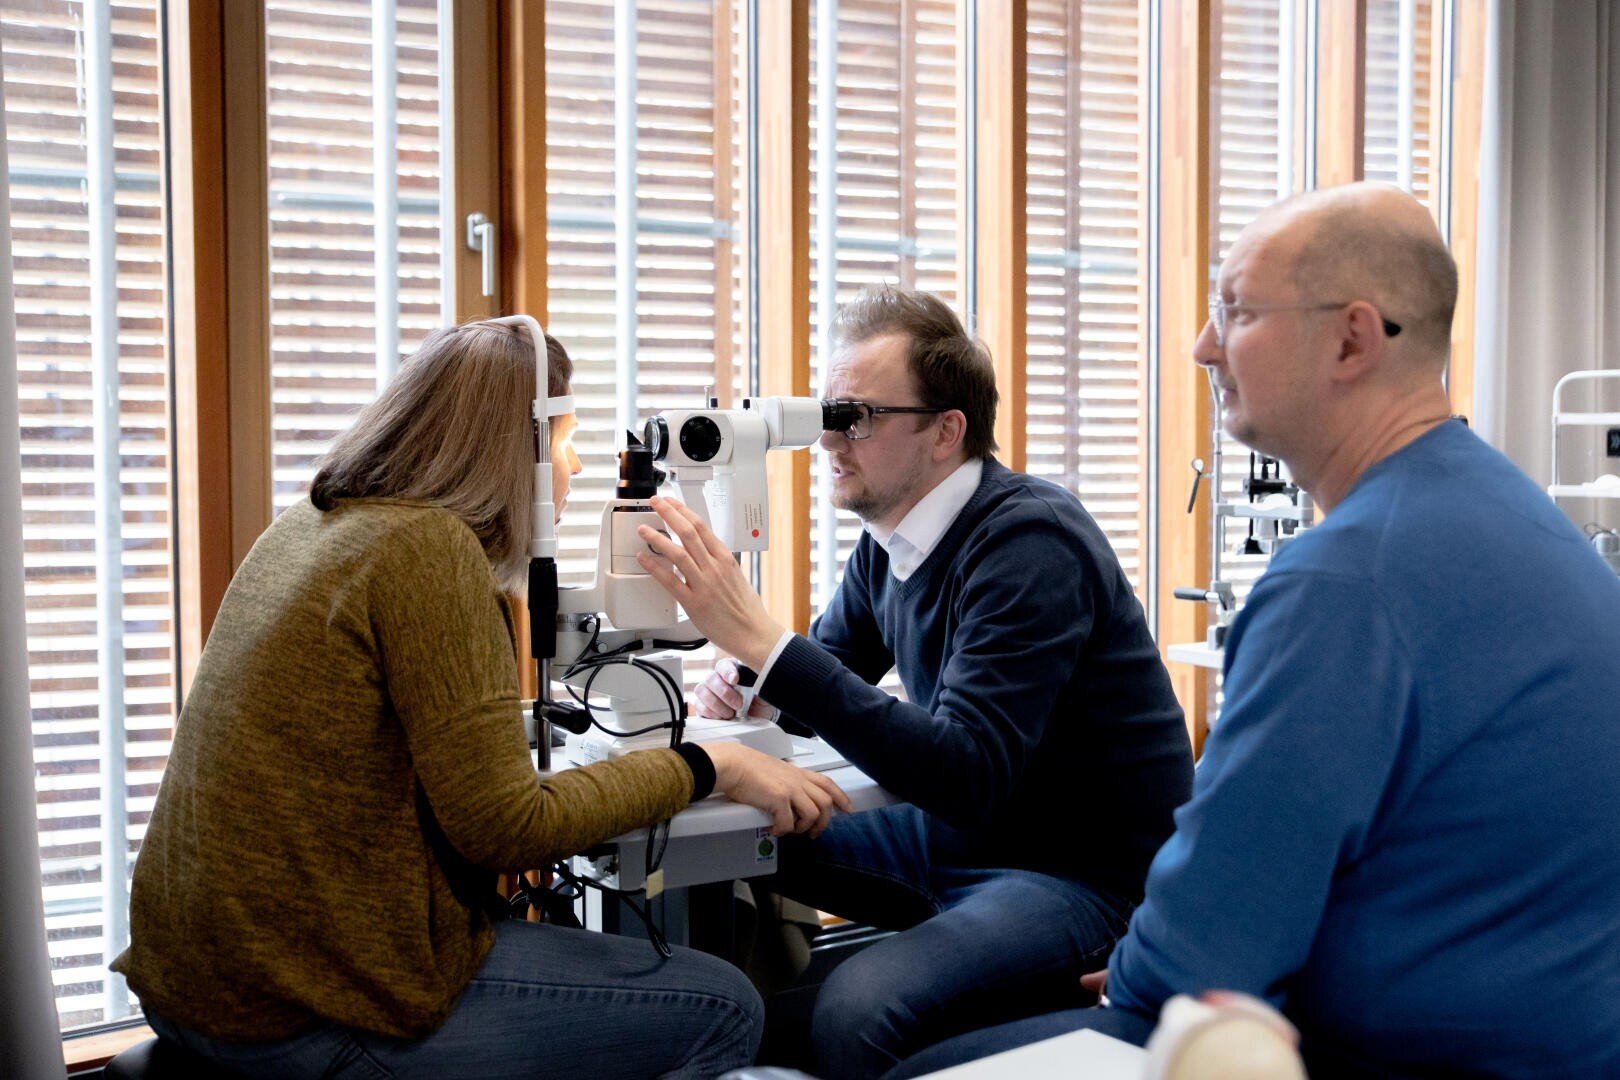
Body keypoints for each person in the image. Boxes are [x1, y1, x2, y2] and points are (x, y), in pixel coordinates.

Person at [888, 183, 1620, 1079]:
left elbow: (1201, 950)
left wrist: (1137, 975)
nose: (1204, 345)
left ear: (1352, 337)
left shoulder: (1346, 579)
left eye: (1235, 311)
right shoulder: (1521, 515)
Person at [112, 319, 852, 1080]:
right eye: (563, 444)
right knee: (726, 1004)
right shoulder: (427, 553)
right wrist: (713, 765)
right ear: (516, 454)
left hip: (201, 985)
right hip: (298, 1011)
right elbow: (506, 828)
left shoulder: (313, 524)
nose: (572, 467)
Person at [634, 287, 1195, 1079]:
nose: (832, 441)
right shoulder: (890, 541)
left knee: (857, 1010)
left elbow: (968, 772)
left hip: (1083, 873)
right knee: (739, 842)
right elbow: (821, 676)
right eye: (830, 415)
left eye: (857, 417)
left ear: (945, 431)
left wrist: (763, 639)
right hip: (966, 840)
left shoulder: (1029, 541)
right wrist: (750, 681)